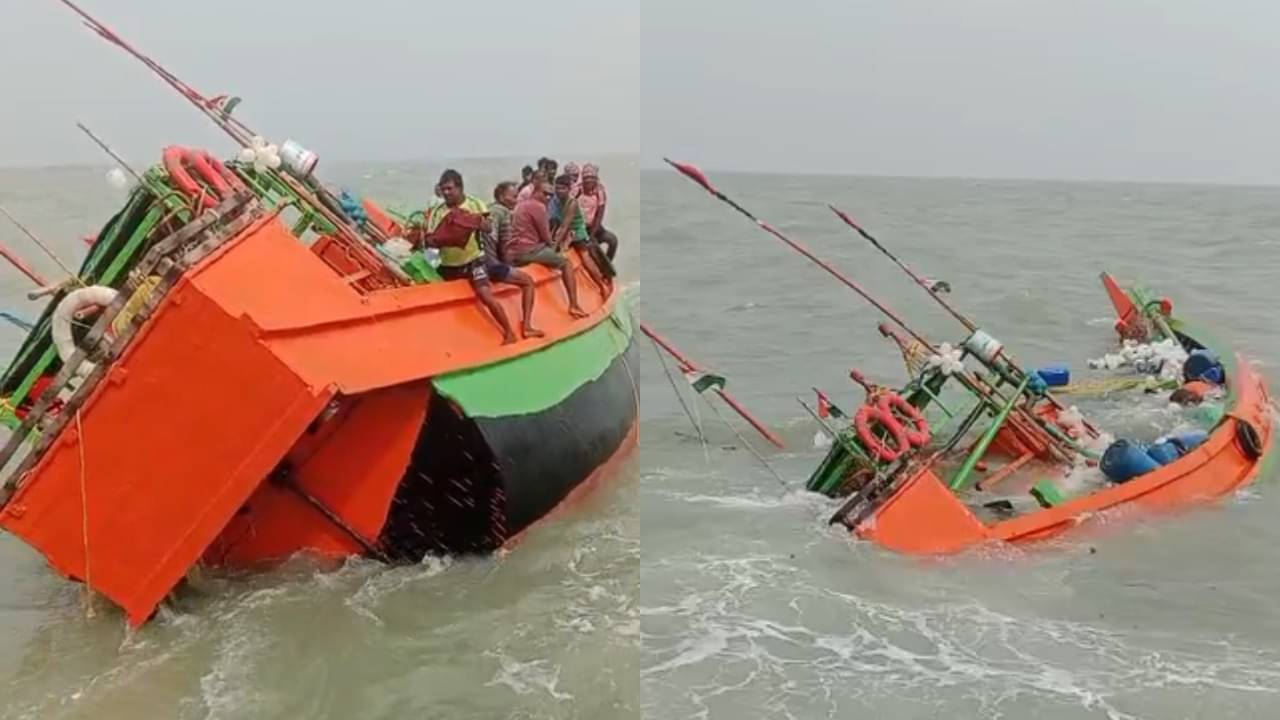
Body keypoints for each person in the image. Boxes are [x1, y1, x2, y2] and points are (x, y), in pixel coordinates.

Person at [422, 169, 519, 344]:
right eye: (443, 189)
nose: (446, 193)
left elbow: (489, 228)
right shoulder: (437, 211)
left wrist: (470, 222)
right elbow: (429, 239)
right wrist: (444, 235)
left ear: (460, 188)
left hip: (474, 260)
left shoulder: (475, 204)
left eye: (450, 189)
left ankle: (509, 332)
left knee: (485, 294)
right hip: (448, 264)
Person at [506, 180, 588, 318]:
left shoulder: (521, 205)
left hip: (513, 251)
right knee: (566, 263)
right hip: (530, 250)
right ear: (535, 191)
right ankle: (574, 305)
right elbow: (545, 237)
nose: (548, 198)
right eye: (545, 194)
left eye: (551, 195)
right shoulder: (539, 207)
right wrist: (555, 247)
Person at [485, 181, 543, 338]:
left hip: (478, 262)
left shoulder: (488, 209)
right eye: (513, 197)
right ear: (502, 197)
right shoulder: (503, 213)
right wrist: (510, 265)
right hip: (491, 265)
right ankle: (527, 326)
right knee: (528, 282)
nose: (516, 200)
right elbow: (504, 247)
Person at [577, 164, 617, 260]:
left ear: (596, 179)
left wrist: (592, 234)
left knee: (612, 240)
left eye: (591, 178)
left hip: (593, 226)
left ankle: (609, 263)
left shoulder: (600, 192)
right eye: (586, 178)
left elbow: (600, 214)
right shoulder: (577, 190)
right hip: (578, 226)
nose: (589, 180)